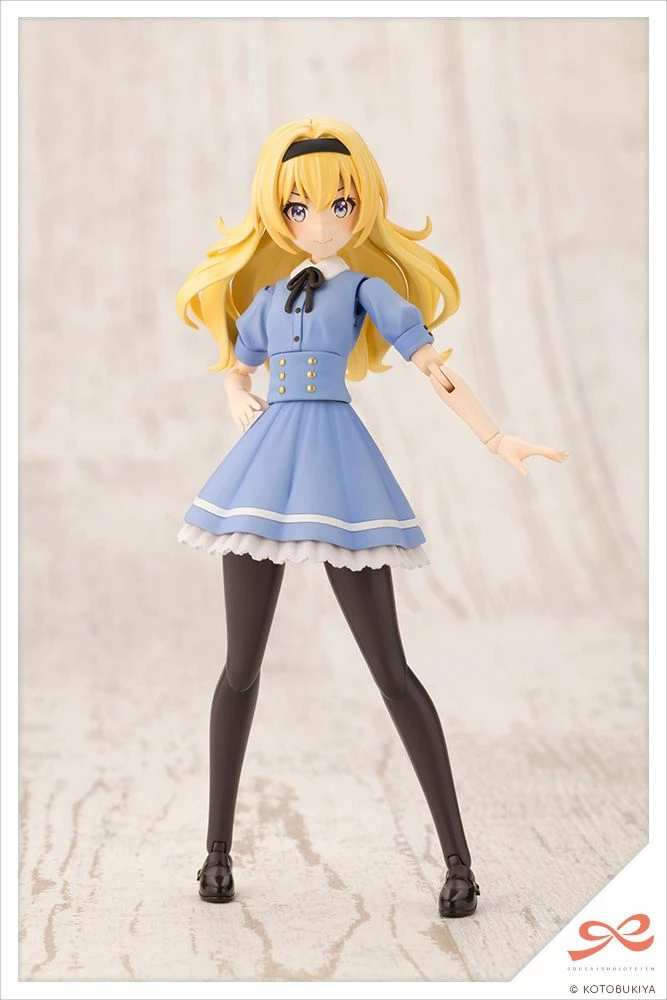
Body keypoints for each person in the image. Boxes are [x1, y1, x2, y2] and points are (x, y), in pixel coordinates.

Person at [176, 118, 567, 917]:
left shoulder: (363, 290)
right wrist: (235, 396)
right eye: (298, 208)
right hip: (264, 468)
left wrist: (493, 435)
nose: (319, 222)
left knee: (389, 669)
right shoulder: (267, 298)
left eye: (338, 204)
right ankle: (214, 853)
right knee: (239, 666)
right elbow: (236, 364)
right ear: (276, 213)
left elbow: (434, 368)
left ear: (362, 207)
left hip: (337, 467)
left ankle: (458, 863)